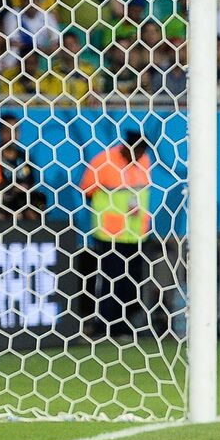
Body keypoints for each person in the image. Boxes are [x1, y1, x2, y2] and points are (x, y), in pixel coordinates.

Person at [81, 130, 152, 336]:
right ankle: (104, 326)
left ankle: (123, 324)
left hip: (136, 234)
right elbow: (87, 190)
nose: (139, 157)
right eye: (137, 153)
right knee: (110, 280)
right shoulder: (103, 161)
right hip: (109, 233)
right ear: (127, 147)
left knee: (132, 282)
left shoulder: (144, 161)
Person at [0, 112, 44, 220]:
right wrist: (11, 189)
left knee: (38, 202)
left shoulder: (24, 156)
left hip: (24, 201)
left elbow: (31, 182)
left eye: (16, 130)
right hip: (2, 203)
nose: (12, 135)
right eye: (8, 130)